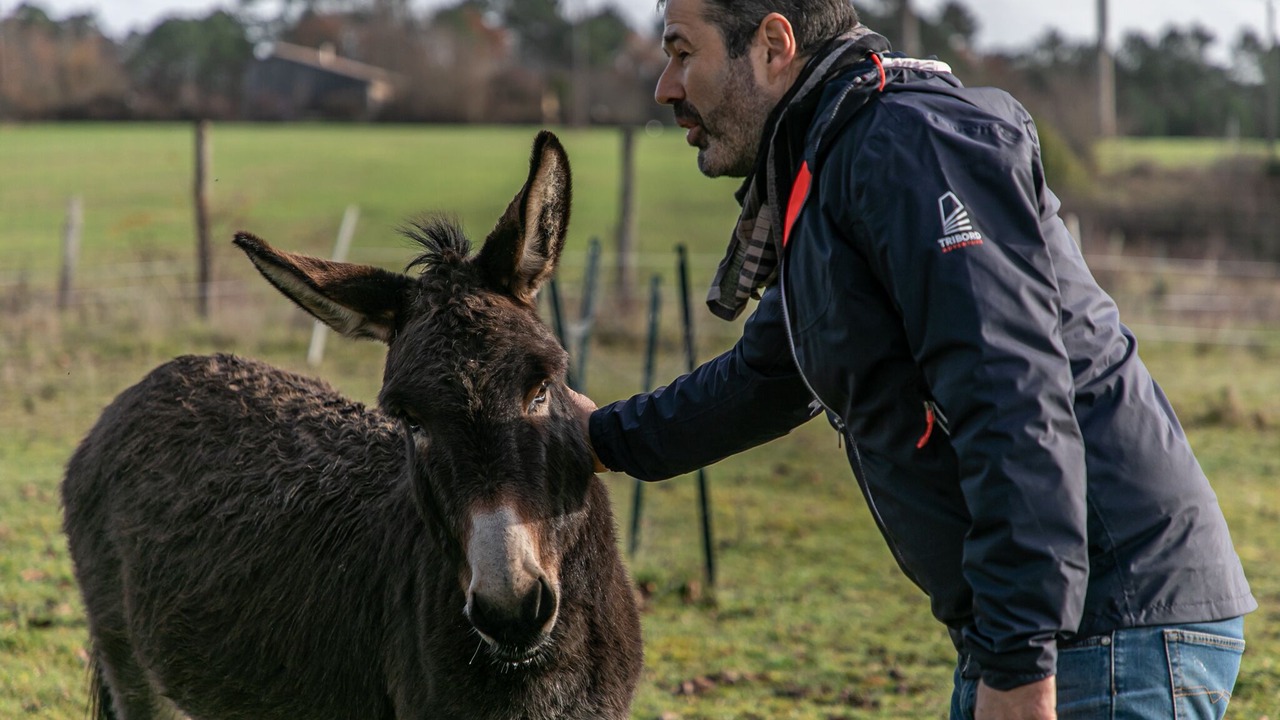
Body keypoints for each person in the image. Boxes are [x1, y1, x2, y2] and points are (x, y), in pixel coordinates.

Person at [567, 1, 1257, 719]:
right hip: (1046, 629)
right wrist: (599, 439)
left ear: (773, 46)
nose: (665, 87)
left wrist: (1021, 661)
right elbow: (768, 377)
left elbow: (1008, 394)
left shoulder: (907, 144)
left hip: (1105, 625)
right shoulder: (834, 160)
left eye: (682, 52)